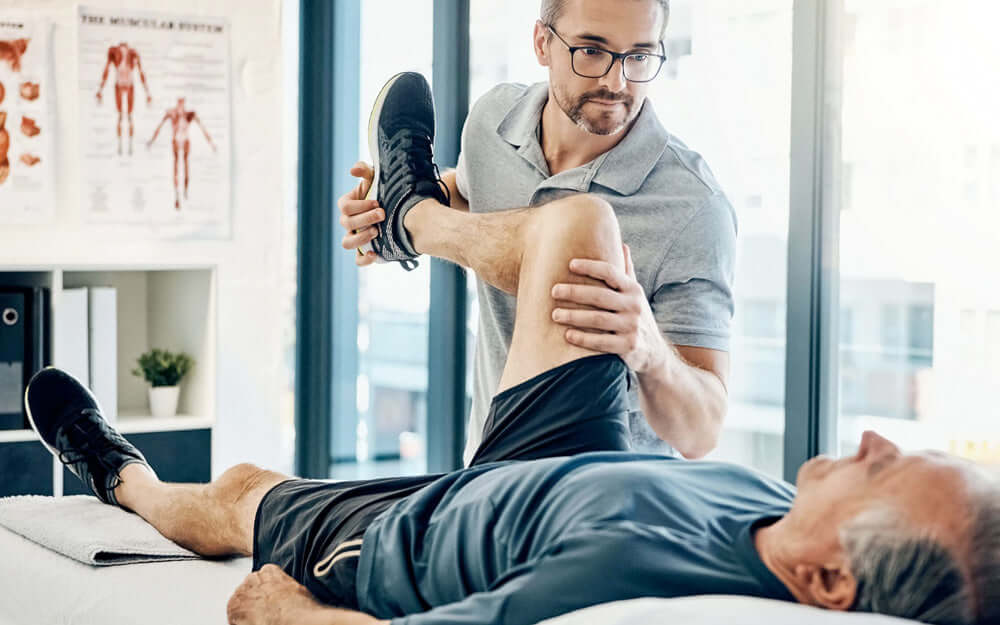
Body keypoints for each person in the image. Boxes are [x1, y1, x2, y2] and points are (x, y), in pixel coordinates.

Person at [24, 189, 1000, 625]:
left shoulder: (629, 585)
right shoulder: (776, 515)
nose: (874, 436)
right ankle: (415, 213)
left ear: (831, 583)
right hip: (564, 461)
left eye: (885, 466)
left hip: (428, 532)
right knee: (582, 225)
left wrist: (289, 615)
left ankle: (122, 473)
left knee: (241, 491)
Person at [340, 0, 734, 465]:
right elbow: (471, 195)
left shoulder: (692, 205)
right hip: (487, 468)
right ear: (542, 43)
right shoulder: (493, 122)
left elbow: (702, 432)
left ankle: (415, 221)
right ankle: (410, 218)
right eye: (592, 51)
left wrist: (648, 346)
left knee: (580, 225)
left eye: (640, 56)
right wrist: (382, 210)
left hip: (602, 498)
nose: (616, 82)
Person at [147, 97, 217, 210]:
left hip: (184, 140)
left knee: (185, 165)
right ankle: (177, 196)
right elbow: (159, 126)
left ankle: (185, 191)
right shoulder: (172, 114)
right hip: (176, 140)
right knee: (176, 166)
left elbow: (203, 129)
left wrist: (211, 143)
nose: (180, 106)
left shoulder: (189, 115)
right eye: (179, 104)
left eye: (182, 104)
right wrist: (152, 140)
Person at [96, 42, 152, 156]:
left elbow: (141, 72)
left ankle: (130, 146)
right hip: (119, 83)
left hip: (129, 83)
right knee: (121, 116)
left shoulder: (133, 53)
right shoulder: (113, 52)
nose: (123, 51)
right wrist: (100, 89)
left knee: (129, 116)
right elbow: (106, 70)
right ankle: (120, 146)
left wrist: (147, 93)